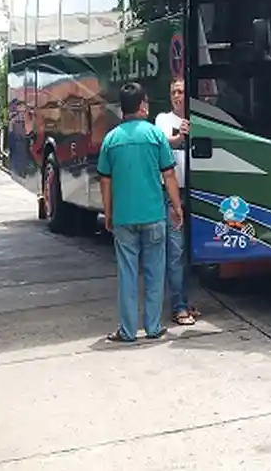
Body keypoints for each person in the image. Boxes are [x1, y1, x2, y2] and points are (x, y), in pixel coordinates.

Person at [97, 82, 184, 343]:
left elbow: (105, 181)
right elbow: (169, 175)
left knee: (127, 274)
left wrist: (109, 213)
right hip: (154, 216)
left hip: (124, 218)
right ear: (143, 106)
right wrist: (177, 208)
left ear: (123, 109)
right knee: (154, 272)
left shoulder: (111, 140)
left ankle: (127, 331)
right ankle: (154, 326)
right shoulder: (156, 136)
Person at [154, 78, 200, 326]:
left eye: (182, 91)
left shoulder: (200, 119)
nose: (177, 96)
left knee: (192, 250)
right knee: (176, 251)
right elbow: (164, 143)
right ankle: (178, 307)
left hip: (198, 191)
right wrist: (179, 137)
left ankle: (186, 299)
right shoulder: (163, 120)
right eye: (174, 92)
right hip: (173, 194)